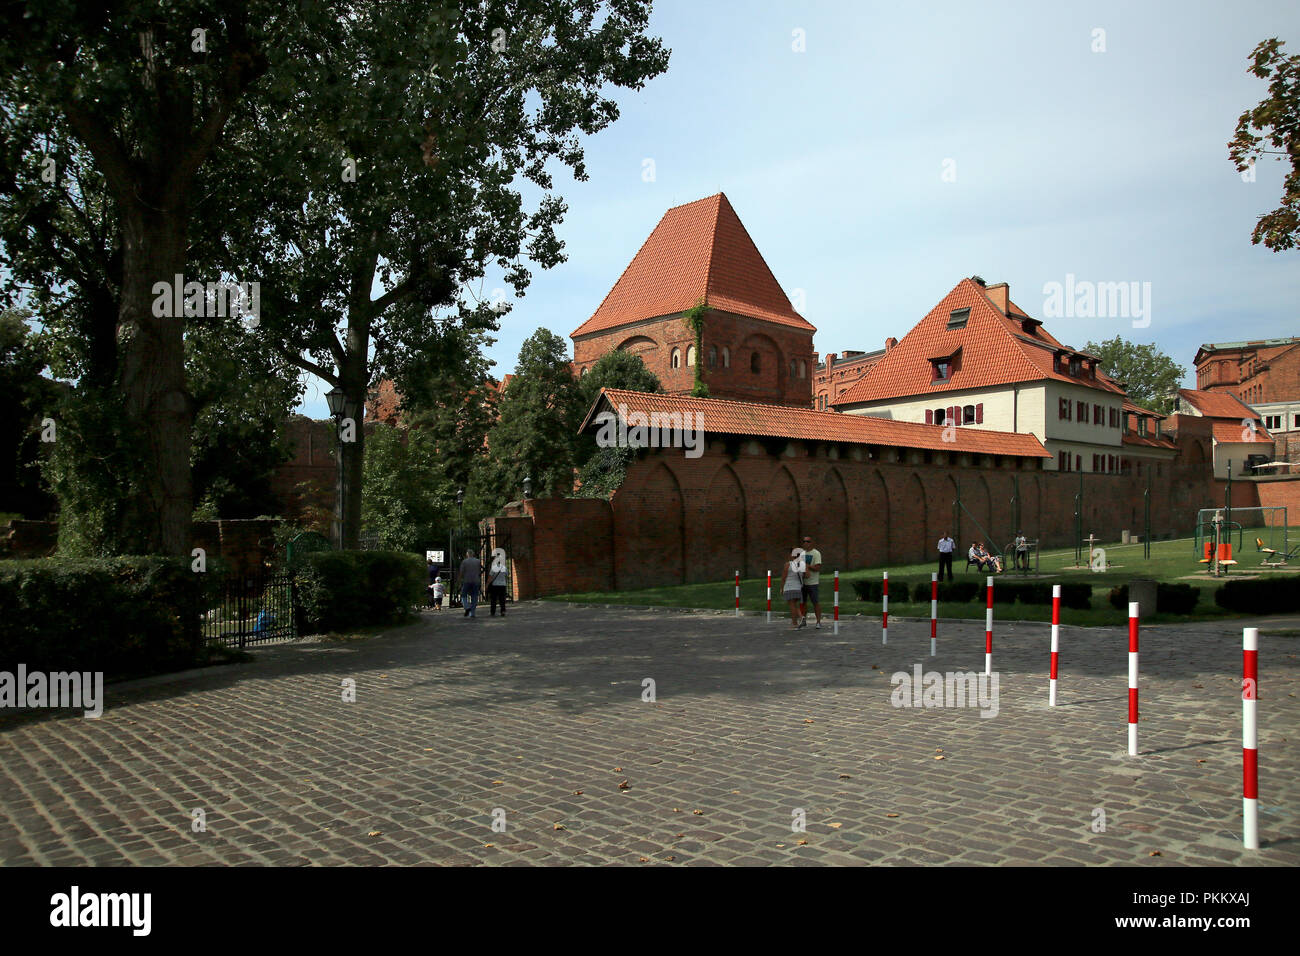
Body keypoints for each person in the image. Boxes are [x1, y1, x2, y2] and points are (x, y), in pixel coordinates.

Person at [798, 535, 823, 629]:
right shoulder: (801, 554)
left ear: (811, 543)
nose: (805, 543)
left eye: (808, 541)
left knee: (815, 602)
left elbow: (818, 567)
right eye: (804, 541)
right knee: (803, 602)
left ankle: (818, 622)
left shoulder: (816, 553)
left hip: (813, 583)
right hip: (803, 582)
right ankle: (803, 620)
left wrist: (808, 566)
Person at [780, 548, 805, 630]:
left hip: (789, 587)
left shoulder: (788, 564)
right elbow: (805, 576)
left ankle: (795, 623)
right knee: (795, 604)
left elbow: (784, 578)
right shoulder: (802, 565)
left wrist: (781, 588)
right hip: (798, 587)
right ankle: (801, 617)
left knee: (792, 606)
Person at [459, 549, 482, 619]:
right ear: (473, 554)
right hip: (476, 580)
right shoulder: (478, 561)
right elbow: (479, 570)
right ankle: (472, 613)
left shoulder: (464, 562)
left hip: (467, 580)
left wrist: (459, 580)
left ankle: (466, 607)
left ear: (467, 554)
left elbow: (461, 572)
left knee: (463, 595)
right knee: (474, 596)